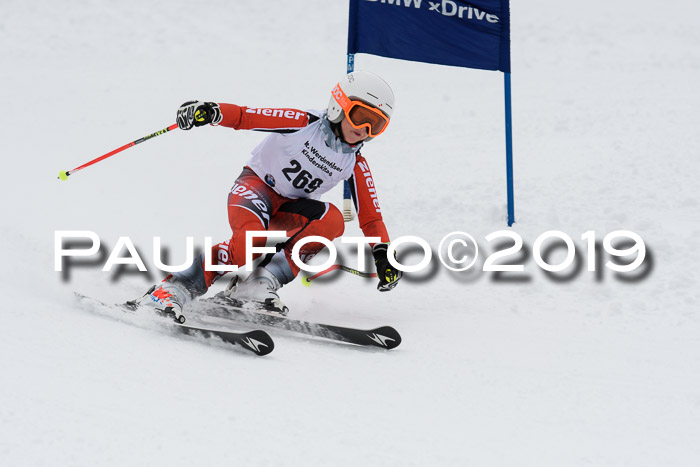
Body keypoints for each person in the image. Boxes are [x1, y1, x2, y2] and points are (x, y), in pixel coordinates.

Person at [133, 71, 403, 322]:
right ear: (339, 106)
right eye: (360, 116)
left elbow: (371, 218)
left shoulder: (355, 163)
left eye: (376, 125)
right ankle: (173, 288)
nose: (364, 129)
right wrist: (211, 111)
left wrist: (383, 255)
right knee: (248, 244)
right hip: (255, 189)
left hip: (291, 210)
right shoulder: (303, 122)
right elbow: (244, 116)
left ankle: (257, 284)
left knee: (333, 220)